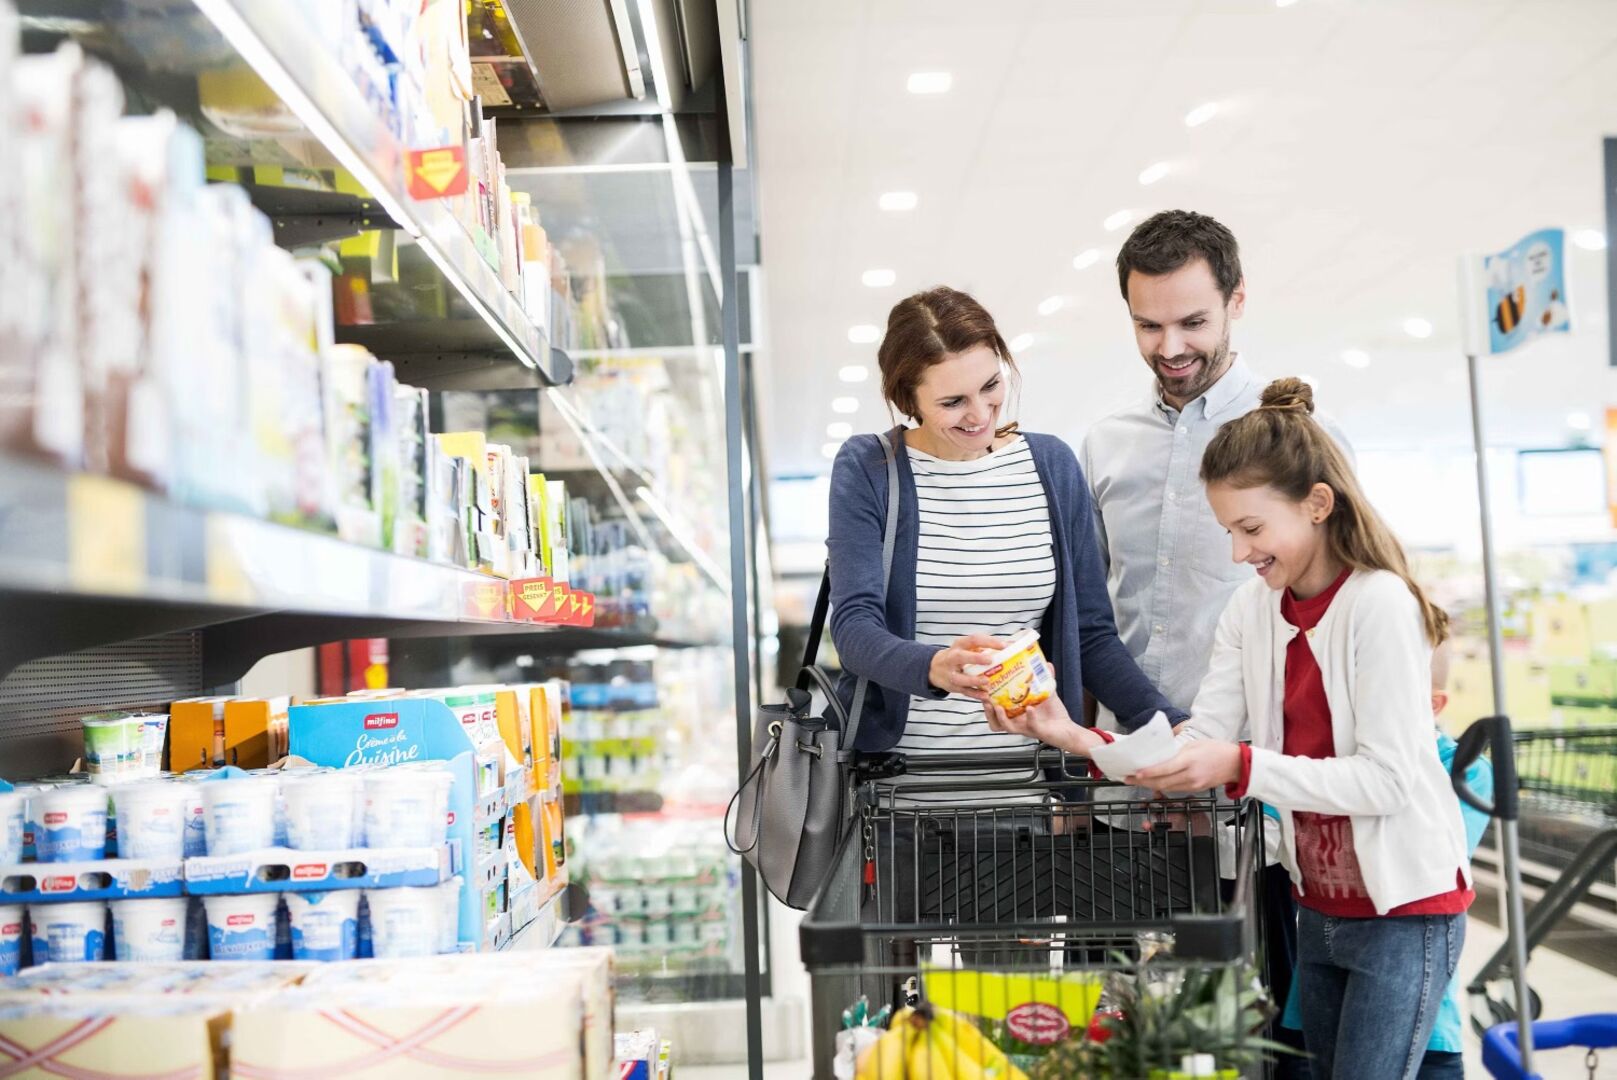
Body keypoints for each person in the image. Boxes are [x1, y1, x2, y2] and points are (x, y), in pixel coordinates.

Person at [990, 377, 1473, 1080]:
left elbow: (1388, 780)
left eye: (1250, 529)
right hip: (1318, 901)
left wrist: (1243, 766)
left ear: (1315, 505)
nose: (1238, 553)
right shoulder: (1254, 611)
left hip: (1404, 909)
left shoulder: (1379, 604)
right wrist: (1069, 735)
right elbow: (1195, 745)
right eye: (1227, 532)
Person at [1081, 209, 1349, 1072]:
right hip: (1126, 789)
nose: (1169, 346)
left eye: (1193, 321)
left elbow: (1344, 609)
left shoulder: (1299, 444)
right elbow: (1090, 619)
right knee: (1129, 1028)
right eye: (1147, 324)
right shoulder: (1103, 444)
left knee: (1254, 1028)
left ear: (1236, 301)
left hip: (1254, 795)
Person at [826, 286, 1184, 821]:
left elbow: (1090, 634)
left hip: (1027, 789)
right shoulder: (871, 469)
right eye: (952, 402)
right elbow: (854, 628)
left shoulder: (1050, 465)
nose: (980, 413)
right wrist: (936, 667)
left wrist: (1169, 725)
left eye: (991, 386)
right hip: (898, 796)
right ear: (909, 400)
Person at [1273, 639, 1495, 1079]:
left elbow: (1427, 863)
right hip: (1314, 990)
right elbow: (1268, 816)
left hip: (1424, 1029)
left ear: (1432, 705)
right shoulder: (1321, 758)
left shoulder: (1464, 769)